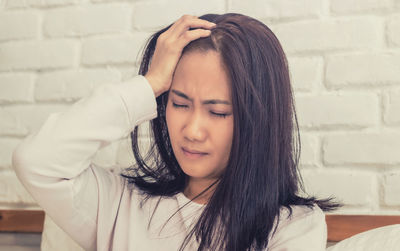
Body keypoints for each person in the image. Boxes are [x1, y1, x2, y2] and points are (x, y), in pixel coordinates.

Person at [12, 13, 339, 251]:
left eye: (218, 112)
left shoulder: (293, 226)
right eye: (180, 104)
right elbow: (35, 161)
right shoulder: (119, 202)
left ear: (258, 120)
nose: (192, 131)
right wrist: (149, 84)